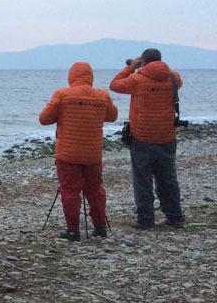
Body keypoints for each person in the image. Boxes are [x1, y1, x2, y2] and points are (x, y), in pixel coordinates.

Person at [39, 62, 118, 240]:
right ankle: (100, 227)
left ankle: (73, 230)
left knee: (69, 191)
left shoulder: (63, 94)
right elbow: (112, 116)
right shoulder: (102, 95)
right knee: (95, 189)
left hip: (68, 153)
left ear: (71, 76)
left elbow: (44, 119)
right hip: (92, 154)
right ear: (91, 76)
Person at [109, 48, 185, 229]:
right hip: (167, 135)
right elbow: (167, 78)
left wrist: (131, 67)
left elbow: (115, 85)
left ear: (143, 62)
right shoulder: (174, 78)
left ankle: (145, 219)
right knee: (168, 178)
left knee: (142, 179)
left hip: (142, 137)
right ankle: (175, 217)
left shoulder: (137, 79)